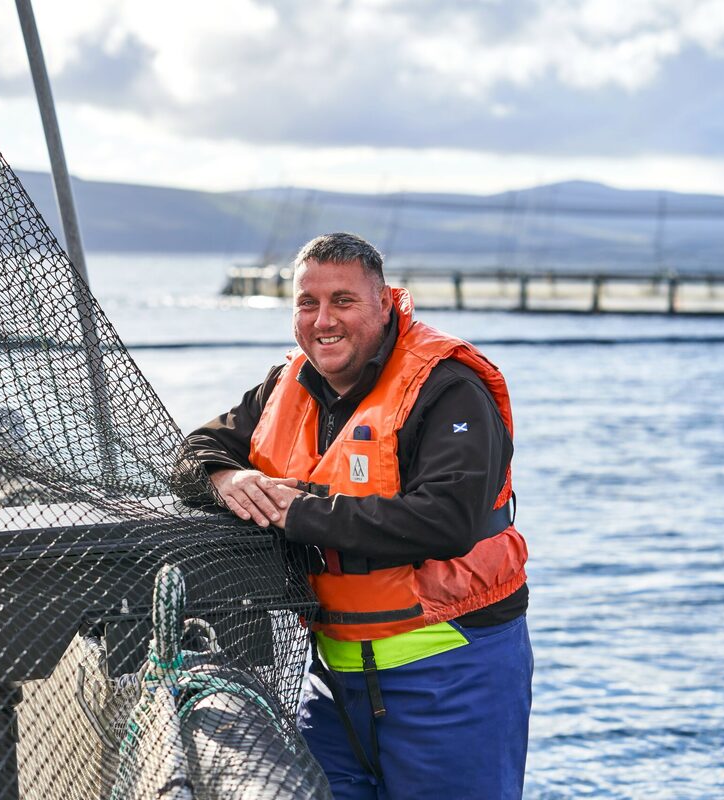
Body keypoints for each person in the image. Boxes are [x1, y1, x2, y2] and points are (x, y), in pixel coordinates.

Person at [181, 233, 532, 799]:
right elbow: (195, 448)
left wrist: (297, 512)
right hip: (332, 678)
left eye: (343, 301)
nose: (323, 320)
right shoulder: (284, 383)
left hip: (453, 666)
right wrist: (228, 479)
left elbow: (447, 521)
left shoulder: (448, 386)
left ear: (386, 303)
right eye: (307, 302)